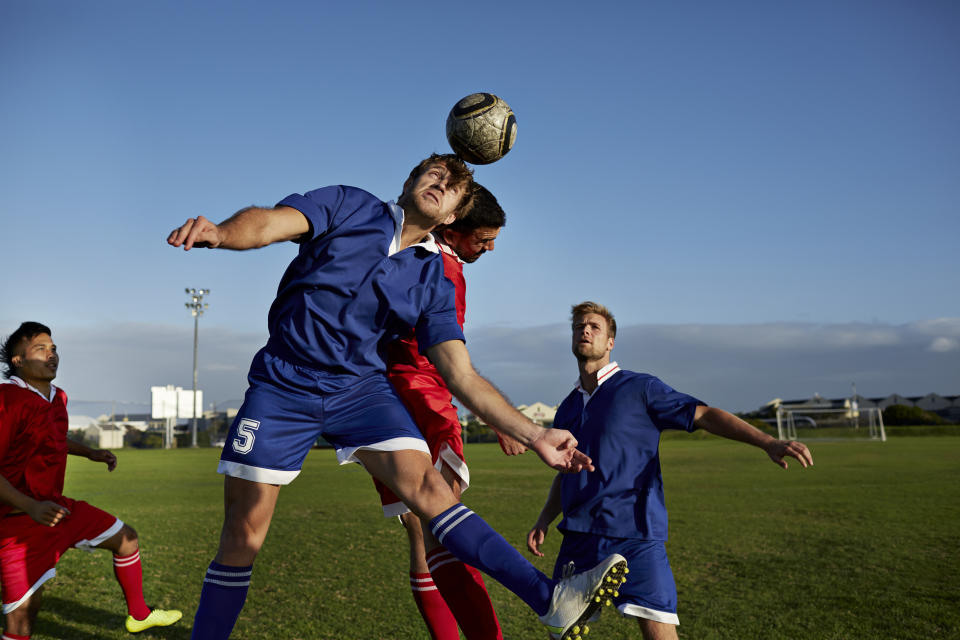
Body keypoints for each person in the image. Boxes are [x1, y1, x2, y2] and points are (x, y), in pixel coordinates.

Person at [167, 154, 625, 640]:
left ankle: (549, 599)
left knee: (432, 491)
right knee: (243, 535)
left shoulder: (433, 277)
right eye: (435, 174)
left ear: (451, 216)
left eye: (452, 188)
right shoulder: (348, 205)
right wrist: (222, 232)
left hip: (360, 390)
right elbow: (269, 224)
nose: (440, 184)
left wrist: (534, 434)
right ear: (410, 182)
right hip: (284, 384)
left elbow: (460, 374)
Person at [527, 302, 814, 640]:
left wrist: (767, 441)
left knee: (659, 629)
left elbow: (704, 415)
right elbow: (565, 472)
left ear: (610, 342)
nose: (585, 331)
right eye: (579, 326)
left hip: (634, 533)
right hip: (578, 534)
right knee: (561, 631)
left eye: (594, 327)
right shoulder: (569, 407)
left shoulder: (640, 388)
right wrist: (545, 517)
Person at [373, 184, 521, 640]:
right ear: (457, 229)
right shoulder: (439, 265)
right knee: (450, 528)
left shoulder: (407, 251)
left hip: (385, 399)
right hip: (424, 397)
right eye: (484, 239)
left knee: (422, 536)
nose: (490, 247)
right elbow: (447, 358)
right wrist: (498, 416)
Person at [0, 322, 182, 638]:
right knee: (21, 623)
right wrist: (29, 506)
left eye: (53, 348)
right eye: (40, 349)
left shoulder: (57, 397)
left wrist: (90, 453)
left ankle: (139, 615)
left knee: (126, 539)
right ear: (17, 360)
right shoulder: (8, 399)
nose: (51, 354)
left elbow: (53, 439)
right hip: (15, 523)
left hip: (56, 511)